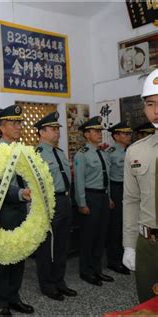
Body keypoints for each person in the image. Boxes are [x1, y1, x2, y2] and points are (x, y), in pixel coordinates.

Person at [0, 105, 34, 316]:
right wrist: (20, 194)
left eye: (19, 123)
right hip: (4, 212)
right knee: (3, 258)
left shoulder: (20, 150)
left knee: (19, 255)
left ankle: (14, 297)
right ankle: (1, 301)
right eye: (14, 123)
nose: (18, 127)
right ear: (2, 127)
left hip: (21, 211)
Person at [122, 69, 158, 303]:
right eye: (150, 104)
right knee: (147, 304)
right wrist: (129, 245)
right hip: (148, 245)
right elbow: (131, 200)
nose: (156, 111)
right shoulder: (136, 151)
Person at [34, 112, 77, 301]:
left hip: (65, 200)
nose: (57, 132)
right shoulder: (37, 154)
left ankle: (60, 281)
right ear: (42, 132)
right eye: (52, 129)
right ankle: (48, 284)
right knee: (47, 248)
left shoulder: (60, 153)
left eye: (58, 129)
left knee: (62, 245)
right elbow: (34, 184)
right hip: (48, 202)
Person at [74, 116, 115, 287]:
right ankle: (86, 271)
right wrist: (82, 203)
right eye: (96, 131)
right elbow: (79, 181)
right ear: (86, 134)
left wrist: (110, 197)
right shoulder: (81, 155)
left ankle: (97, 269)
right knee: (88, 236)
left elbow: (107, 178)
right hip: (90, 197)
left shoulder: (103, 152)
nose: (99, 134)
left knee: (101, 235)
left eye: (100, 131)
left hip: (103, 197)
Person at [105, 121, 132, 275]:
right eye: (125, 133)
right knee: (116, 226)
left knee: (127, 225)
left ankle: (126, 257)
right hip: (116, 189)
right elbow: (106, 178)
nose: (128, 136)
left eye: (129, 133)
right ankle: (114, 260)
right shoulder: (111, 153)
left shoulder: (131, 151)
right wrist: (109, 196)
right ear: (115, 136)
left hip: (129, 190)